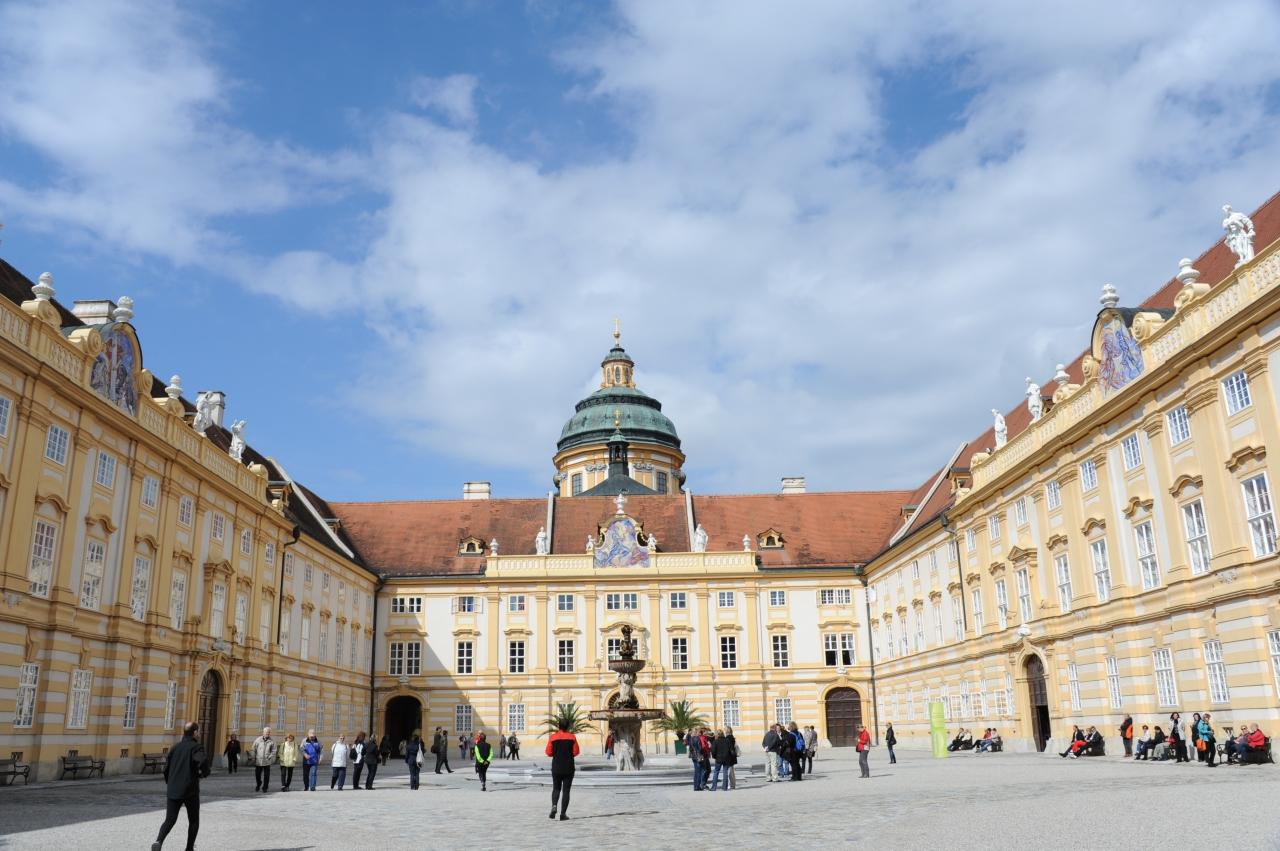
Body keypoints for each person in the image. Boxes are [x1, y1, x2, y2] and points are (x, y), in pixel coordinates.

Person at [151, 721, 209, 851]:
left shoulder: (175, 748)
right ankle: (189, 848)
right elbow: (202, 761)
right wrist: (204, 773)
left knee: (170, 819)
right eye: (198, 731)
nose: (199, 733)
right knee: (193, 820)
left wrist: (170, 783)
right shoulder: (196, 747)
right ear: (195, 732)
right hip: (190, 790)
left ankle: (158, 841)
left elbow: (166, 769)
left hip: (174, 789)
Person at [546, 719, 580, 820]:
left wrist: (556, 753)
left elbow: (548, 752)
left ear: (558, 726)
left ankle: (554, 805)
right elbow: (576, 752)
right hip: (568, 767)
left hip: (556, 767)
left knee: (556, 788)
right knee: (566, 791)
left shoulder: (553, 737)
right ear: (568, 726)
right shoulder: (572, 737)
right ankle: (563, 814)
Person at [250, 727, 276, 792]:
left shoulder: (272, 741)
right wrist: (253, 757)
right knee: (257, 775)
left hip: (267, 761)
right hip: (258, 761)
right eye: (266, 732)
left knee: (266, 775)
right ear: (263, 732)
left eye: (268, 732)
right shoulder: (258, 740)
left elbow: (274, 750)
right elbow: (253, 749)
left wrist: (270, 756)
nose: (267, 733)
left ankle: (265, 787)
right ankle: (259, 783)